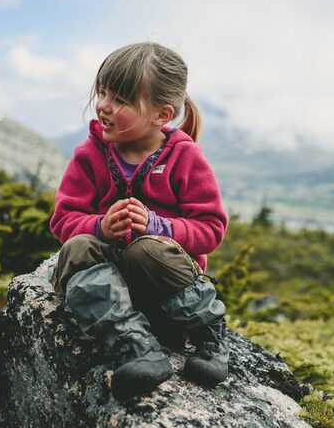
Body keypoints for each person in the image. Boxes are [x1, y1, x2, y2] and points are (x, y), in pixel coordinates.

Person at [49, 42, 229, 401]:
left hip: (164, 289)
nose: (103, 105)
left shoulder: (185, 157)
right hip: (109, 290)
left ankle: (208, 332)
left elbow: (210, 229)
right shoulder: (89, 156)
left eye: (120, 99)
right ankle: (136, 347)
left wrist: (160, 227)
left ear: (161, 115)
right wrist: (99, 227)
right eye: (102, 91)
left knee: (146, 250)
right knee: (77, 247)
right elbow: (64, 220)